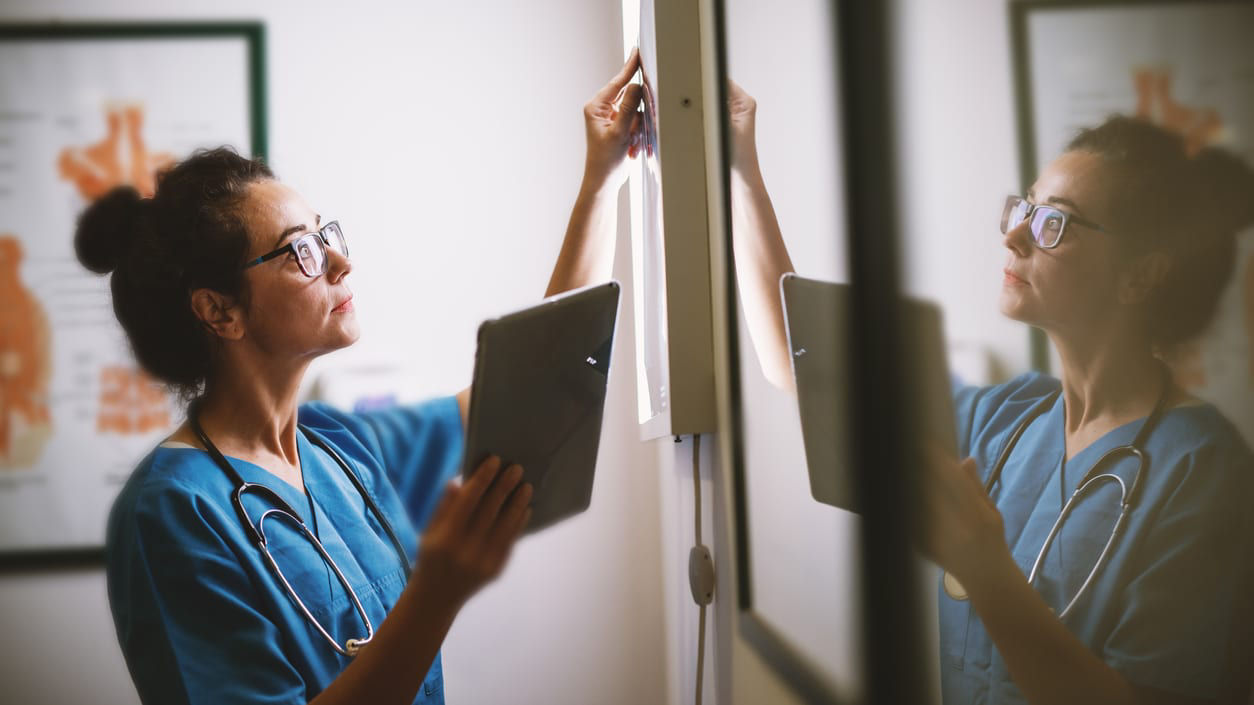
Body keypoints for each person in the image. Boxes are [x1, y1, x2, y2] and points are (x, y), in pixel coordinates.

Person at [81, 52, 643, 705]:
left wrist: (602, 178)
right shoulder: (173, 512)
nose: (339, 261)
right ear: (219, 310)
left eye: (326, 234)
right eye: (301, 249)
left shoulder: (337, 447)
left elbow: (537, 387)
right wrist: (437, 595)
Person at [727, 80, 1254, 704]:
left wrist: (986, 572)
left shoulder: (1201, 468)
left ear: (1140, 275)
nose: (1015, 235)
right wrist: (742, 170)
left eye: (1055, 222)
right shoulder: (1007, 418)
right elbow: (799, 366)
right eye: (1025, 208)